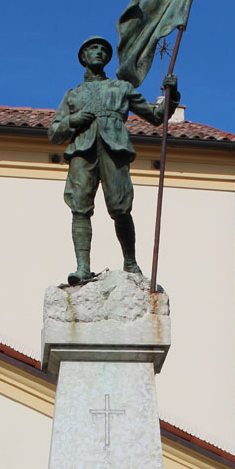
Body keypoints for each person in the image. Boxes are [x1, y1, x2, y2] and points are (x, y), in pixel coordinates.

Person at [49, 37, 180, 285]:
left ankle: (130, 262)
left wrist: (171, 96)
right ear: (83, 57)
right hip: (82, 151)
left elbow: (155, 116)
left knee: (121, 208)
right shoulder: (73, 95)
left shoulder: (121, 88)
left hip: (114, 149)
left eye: (103, 50)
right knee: (80, 208)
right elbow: (54, 132)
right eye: (92, 49)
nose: (98, 52)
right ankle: (82, 267)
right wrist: (74, 120)